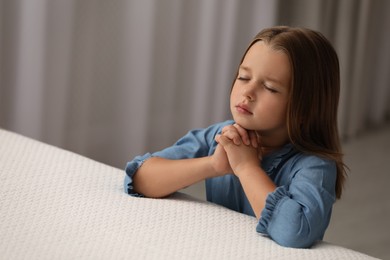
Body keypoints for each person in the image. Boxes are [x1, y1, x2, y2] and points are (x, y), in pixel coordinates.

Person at [124, 26, 347, 248]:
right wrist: (213, 165)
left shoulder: (316, 166)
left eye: (269, 87)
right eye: (243, 77)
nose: (247, 92)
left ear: (306, 108)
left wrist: (246, 168)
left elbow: (294, 232)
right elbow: (141, 178)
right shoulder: (221, 136)